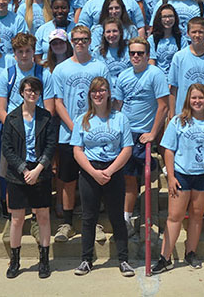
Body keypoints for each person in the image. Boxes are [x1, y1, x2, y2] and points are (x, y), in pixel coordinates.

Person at [46, 25, 109, 243]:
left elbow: (105, 97)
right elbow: (58, 102)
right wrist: (74, 127)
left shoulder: (99, 67)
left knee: (93, 178)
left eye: (84, 39)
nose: (80, 42)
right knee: (68, 179)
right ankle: (68, 223)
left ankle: (95, 222)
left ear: (90, 41)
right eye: (76, 39)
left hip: (96, 131)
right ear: (71, 41)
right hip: (69, 133)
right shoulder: (61, 69)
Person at [150, 83, 204, 274]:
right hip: (182, 174)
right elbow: (168, 150)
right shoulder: (178, 121)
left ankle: (191, 252)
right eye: (194, 98)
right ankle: (165, 258)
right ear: (188, 100)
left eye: (201, 97)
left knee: (197, 214)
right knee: (175, 217)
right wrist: (170, 176)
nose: (197, 101)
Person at [70, 76, 135, 277]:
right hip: (90, 171)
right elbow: (77, 150)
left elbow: (127, 148)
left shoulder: (120, 118)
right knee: (89, 217)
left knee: (117, 217)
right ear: (90, 95)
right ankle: (86, 260)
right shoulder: (82, 119)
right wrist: (93, 172)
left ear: (108, 93)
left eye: (102, 90)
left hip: (113, 171)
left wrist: (109, 171)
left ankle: (123, 259)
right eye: (94, 91)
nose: (98, 94)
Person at [1, 76, 57, 280]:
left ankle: (44, 260)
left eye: (35, 91)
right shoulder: (12, 118)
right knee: (16, 219)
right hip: (18, 173)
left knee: (42, 216)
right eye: (27, 90)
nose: (31, 94)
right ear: (21, 93)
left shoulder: (46, 117)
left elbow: (51, 145)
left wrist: (38, 169)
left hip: (40, 172)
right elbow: (6, 148)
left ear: (40, 93)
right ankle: (15, 261)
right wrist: (24, 170)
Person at [116, 37, 170, 236]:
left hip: (145, 133)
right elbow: (118, 106)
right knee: (128, 179)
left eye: (140, 53)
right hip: (126, 133)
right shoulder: (123, 76)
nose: (136, 56)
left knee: (144, 178)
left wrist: (153, 134)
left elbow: (163, 106)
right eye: (132, 53)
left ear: (148, 55)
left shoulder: (155, 74)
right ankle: (126, 219)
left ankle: (146, 219)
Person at [168, 17, 204, 114]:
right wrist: (172, 114)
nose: (197, 35)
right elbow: (173, 88)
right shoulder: (179, 57)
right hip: (184, 113)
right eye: (194, 32)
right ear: (188, 33)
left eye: (201, 32)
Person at [0, 33, 49, 120]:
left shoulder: (44, 74)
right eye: (20, 51)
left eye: (28, 51)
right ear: (14, 52)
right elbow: (1, 110)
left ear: (34, 51)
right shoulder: (7, 75)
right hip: (13, 123)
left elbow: (49, 108)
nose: (24, 55)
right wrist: (12, 127)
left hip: (38, 122)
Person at [34, 0, 75, 64]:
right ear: (51, 9)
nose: (60, 11)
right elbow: (37, 56)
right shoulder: (42, 30)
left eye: (63, 8)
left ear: (69, 9)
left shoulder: (76, 29)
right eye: (56, 8)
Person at [94, 19, 131, 95]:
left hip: (128, 91)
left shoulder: (130, 49)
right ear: (103, 34)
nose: (111, 35)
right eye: (108, 32)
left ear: (120, 32)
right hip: (107, 94)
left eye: (115, 31)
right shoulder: (97, 52)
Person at [147, 3, 184, 76]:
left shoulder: (181, 39)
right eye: (164, 17)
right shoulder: (152, 39)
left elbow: (183, 63)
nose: (167, 20)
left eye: (170, 16)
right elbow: (151, 63)